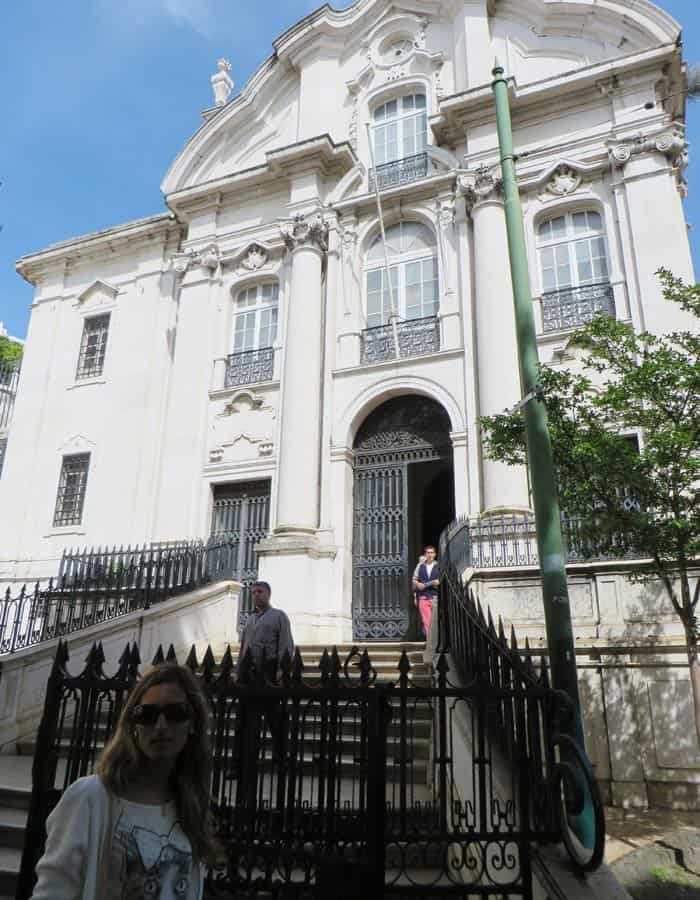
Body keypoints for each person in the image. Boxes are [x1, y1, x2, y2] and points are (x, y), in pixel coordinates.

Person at [31, 664, 218, 900]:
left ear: (193, 722)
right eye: (146, 715)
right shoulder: (89, 798)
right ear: (133, 726)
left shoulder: (191, 807)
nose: (160, 726)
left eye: (175, 713)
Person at [236, 581, 294, 680]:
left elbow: (285, 644)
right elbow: (243, 647)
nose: (256, 595)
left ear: (268, 594)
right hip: (248, 670)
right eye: (253, 593)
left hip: (269, 668)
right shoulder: (249, 619)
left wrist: (281, 669)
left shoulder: (279, 616)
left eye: (260, 592)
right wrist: (239, 670)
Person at [412, 545, 440, 639]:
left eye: (432, 552)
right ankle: (430, 642)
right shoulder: (420, 566)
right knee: (426, 621)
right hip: (423, 598)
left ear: (435, 554)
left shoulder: (438, 566)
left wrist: (426, 584)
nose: (430, 554)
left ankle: (437, 641)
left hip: (435, 597)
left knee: (435, 621)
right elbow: (414, 579)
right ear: (425, 554)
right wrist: (417, 584)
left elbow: (439, 581)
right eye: (428, 552)